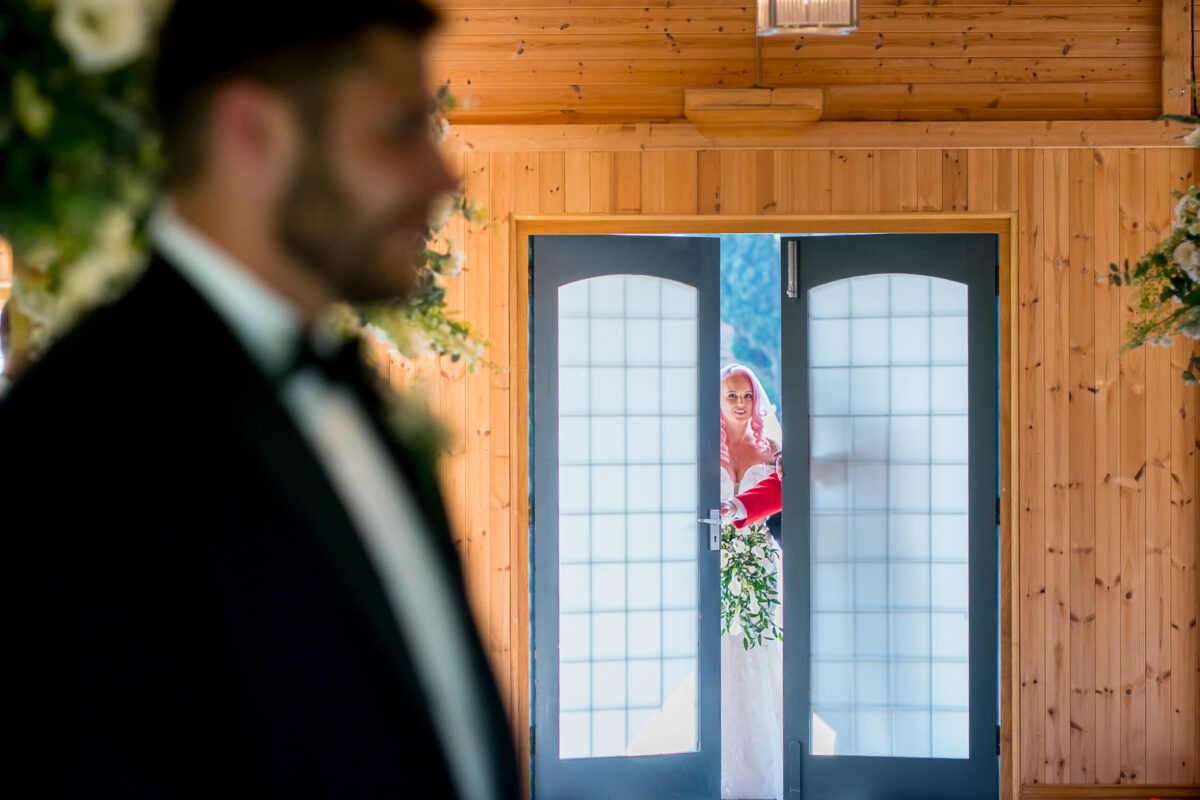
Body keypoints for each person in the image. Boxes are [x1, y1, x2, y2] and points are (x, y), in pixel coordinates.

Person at [0, 2, 518, 797]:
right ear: (255, 131)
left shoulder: (362, 398)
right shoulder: (75, 441)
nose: (442, 177)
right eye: (396, 132)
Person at [718, 363, 784, 800]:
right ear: (718, 401)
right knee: (722, 657)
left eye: (747, 396)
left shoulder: (771, 449)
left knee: (761, 656)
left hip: (762, 565)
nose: (741, 404)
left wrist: (740, 509)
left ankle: (767, 770)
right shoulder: (706, 449)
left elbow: (783, 489)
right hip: (717, 565)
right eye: (732, 396)